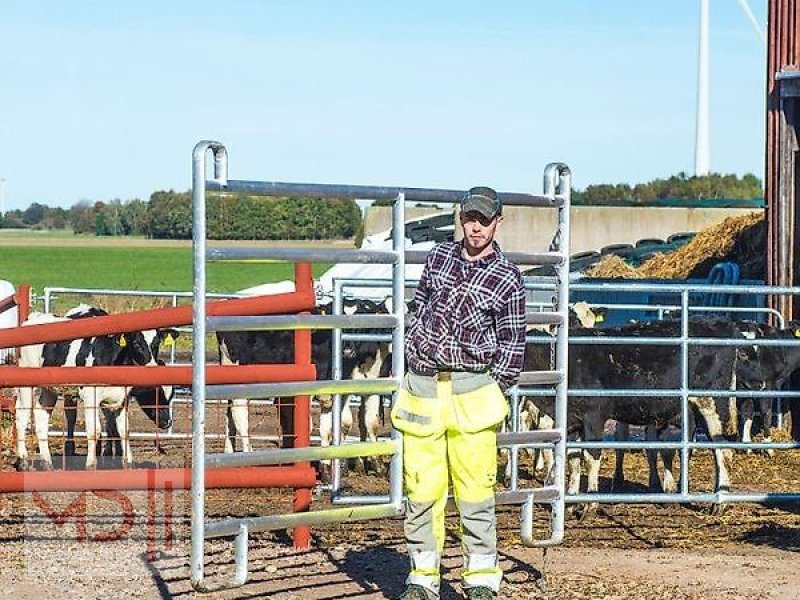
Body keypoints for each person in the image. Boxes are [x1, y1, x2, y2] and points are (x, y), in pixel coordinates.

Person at [391, 186, 527, 600]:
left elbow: (513, 344)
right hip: (424, 389)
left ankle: (481, 579)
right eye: (470, 218)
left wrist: (491, 384)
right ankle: (423, 577)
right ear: (461, 218)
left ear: (497, 223)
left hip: (472, 391)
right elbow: (420, 307)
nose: (475, 226)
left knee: (475, 492)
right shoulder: (438, 257)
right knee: (421, 488)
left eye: (484, 220)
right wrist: (418, 350)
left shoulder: (507, 278)